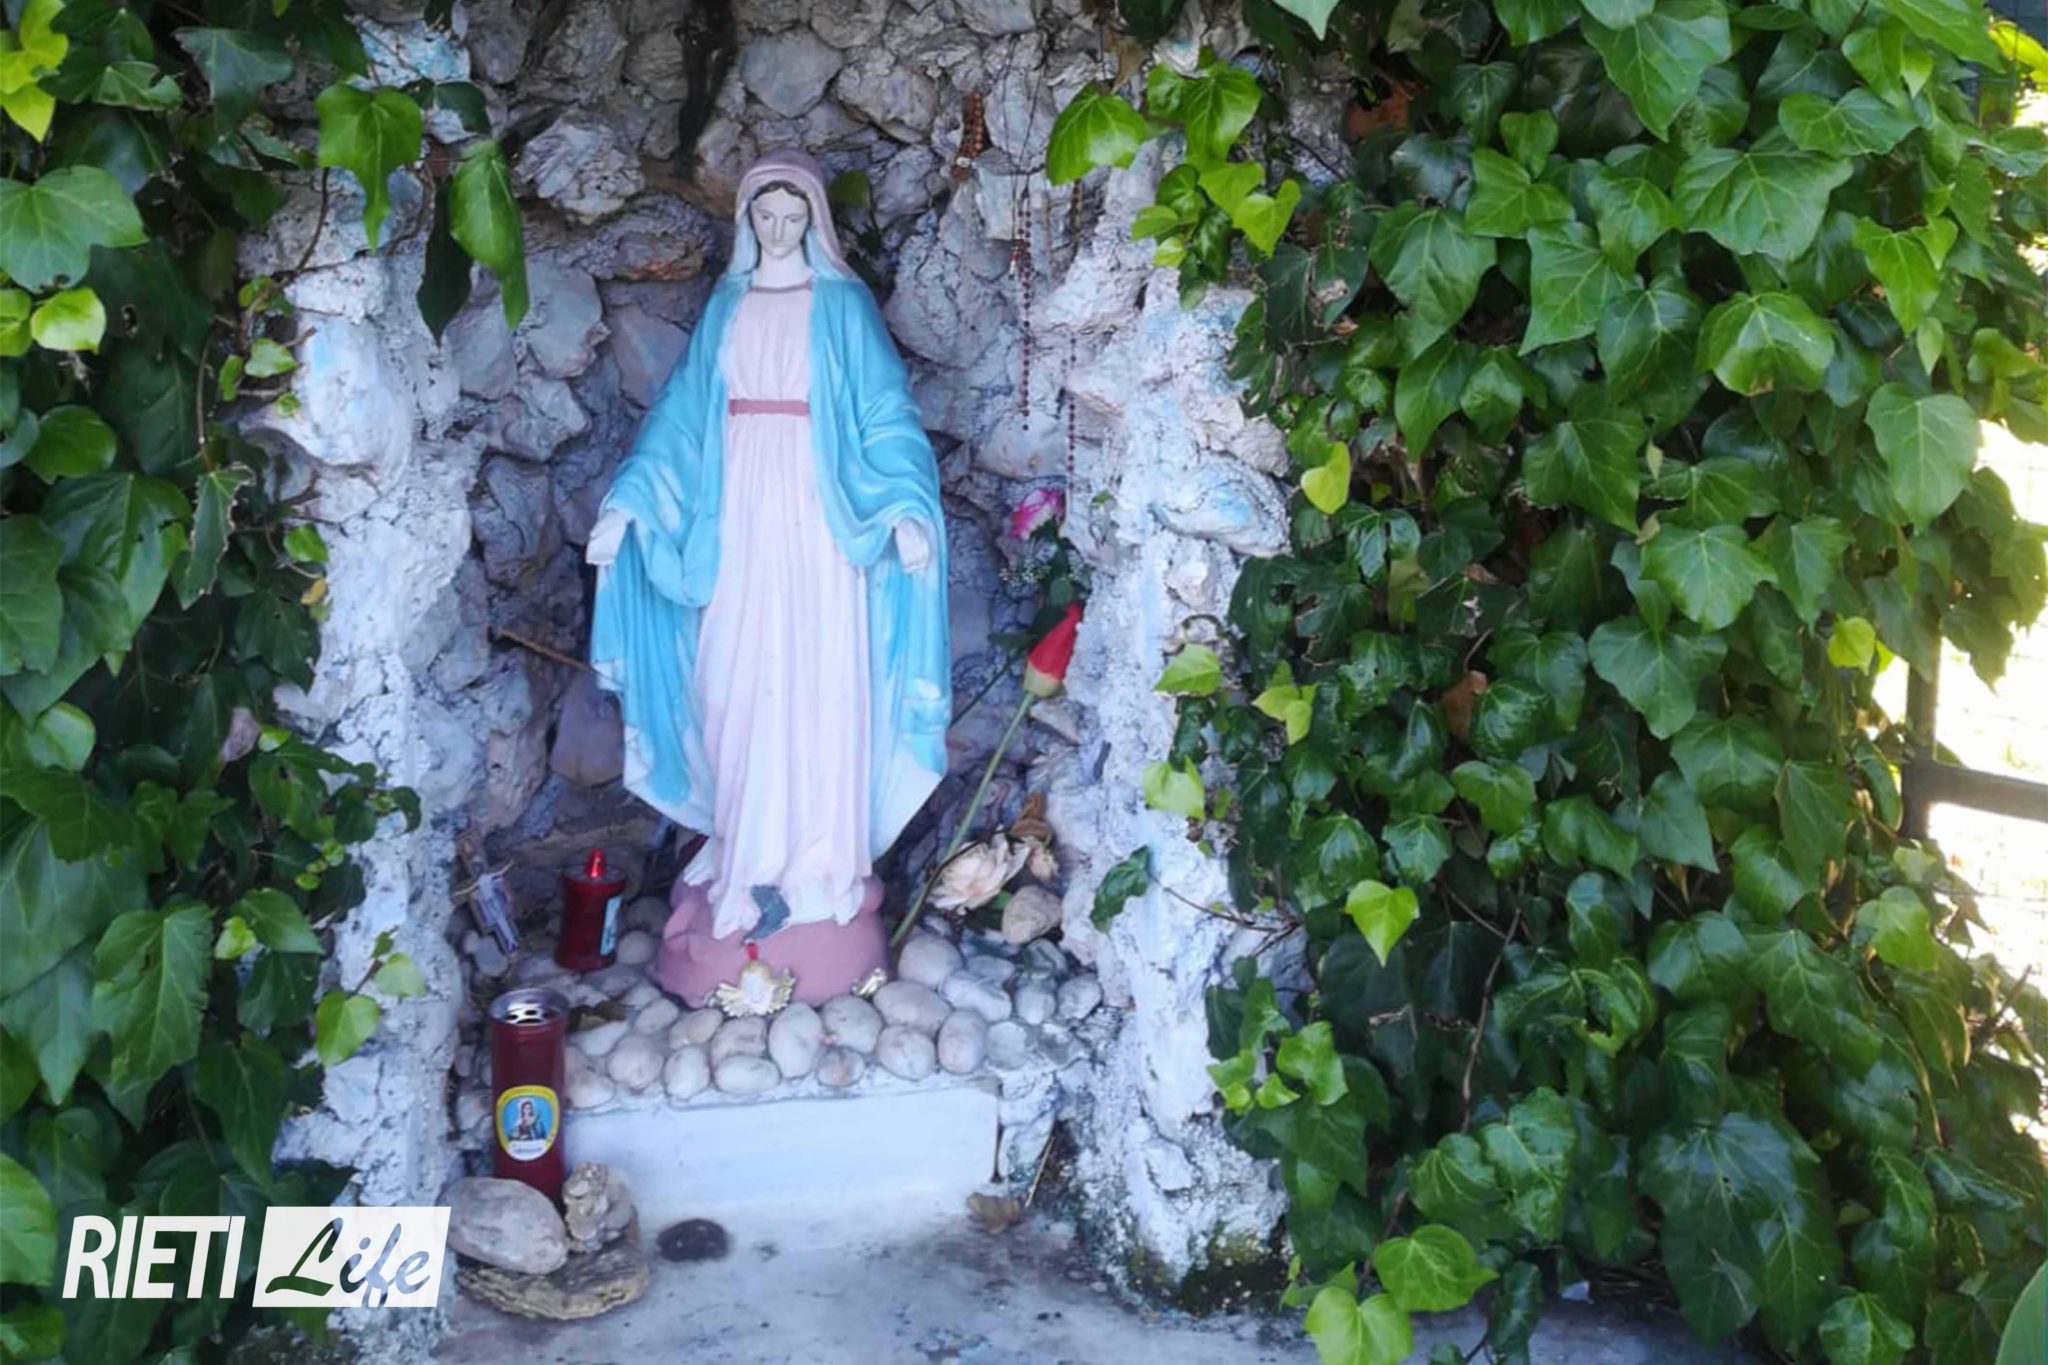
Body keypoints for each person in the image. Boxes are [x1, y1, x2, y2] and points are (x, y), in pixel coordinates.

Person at [587, 149, 950, 1003]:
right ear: (747, 219)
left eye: (794, 216)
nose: (780, 229)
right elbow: (681, 418)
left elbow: (884, 411)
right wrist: (630, 504)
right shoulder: (727, 304)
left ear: (813, 220)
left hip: (822, 516)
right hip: (737, 513)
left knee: (819, 679)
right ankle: (743, 854)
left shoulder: (842, 305)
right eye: (765, 215)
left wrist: (904, 506)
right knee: (733, 679)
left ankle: (819, 869)